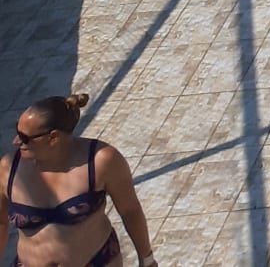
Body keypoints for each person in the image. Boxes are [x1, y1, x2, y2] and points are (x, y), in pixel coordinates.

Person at [5, 92, 159, 267]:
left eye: (24, 137)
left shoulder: (100, 160)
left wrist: (146, 259)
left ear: (53, 137)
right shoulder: (9, 168)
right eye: (17, 131)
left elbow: (130, 210)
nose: (16, 141)